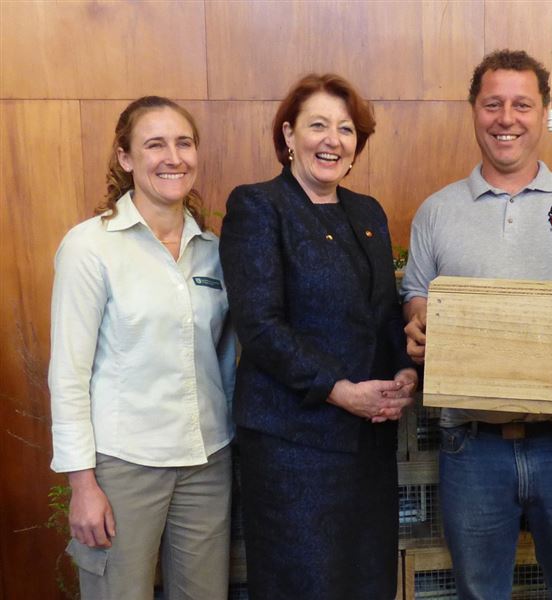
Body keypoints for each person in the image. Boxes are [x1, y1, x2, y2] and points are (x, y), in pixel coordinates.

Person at [402, 49, 552, 599]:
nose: (506, 119)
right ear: (473, 110)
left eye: (521, 105)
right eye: (493, 104)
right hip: (472, 448)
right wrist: (418, 323)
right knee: (479, 592)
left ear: (543, 112)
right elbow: (417, 295)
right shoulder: (437, 211)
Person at [219, 73, 416, 600]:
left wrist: (404, 371)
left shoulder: (367, 211)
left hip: (366, 441)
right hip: (292, 445)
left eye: (346, 130)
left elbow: (385, 310)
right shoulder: (257, 206)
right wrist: (340, 390)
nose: (333, 140)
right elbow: (260, 326)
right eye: (318, 126)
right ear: (288, 135)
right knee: (301, 584)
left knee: (365, 580)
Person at [49, 96, 235, 600]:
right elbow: (68, 375)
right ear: (126, 158)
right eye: (155, 144)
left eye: (184, 143)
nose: (173, 157)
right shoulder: (91, 247)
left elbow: (223, 359)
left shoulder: (215, 250)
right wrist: (82, 485)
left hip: (207, 460)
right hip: (123, 464)